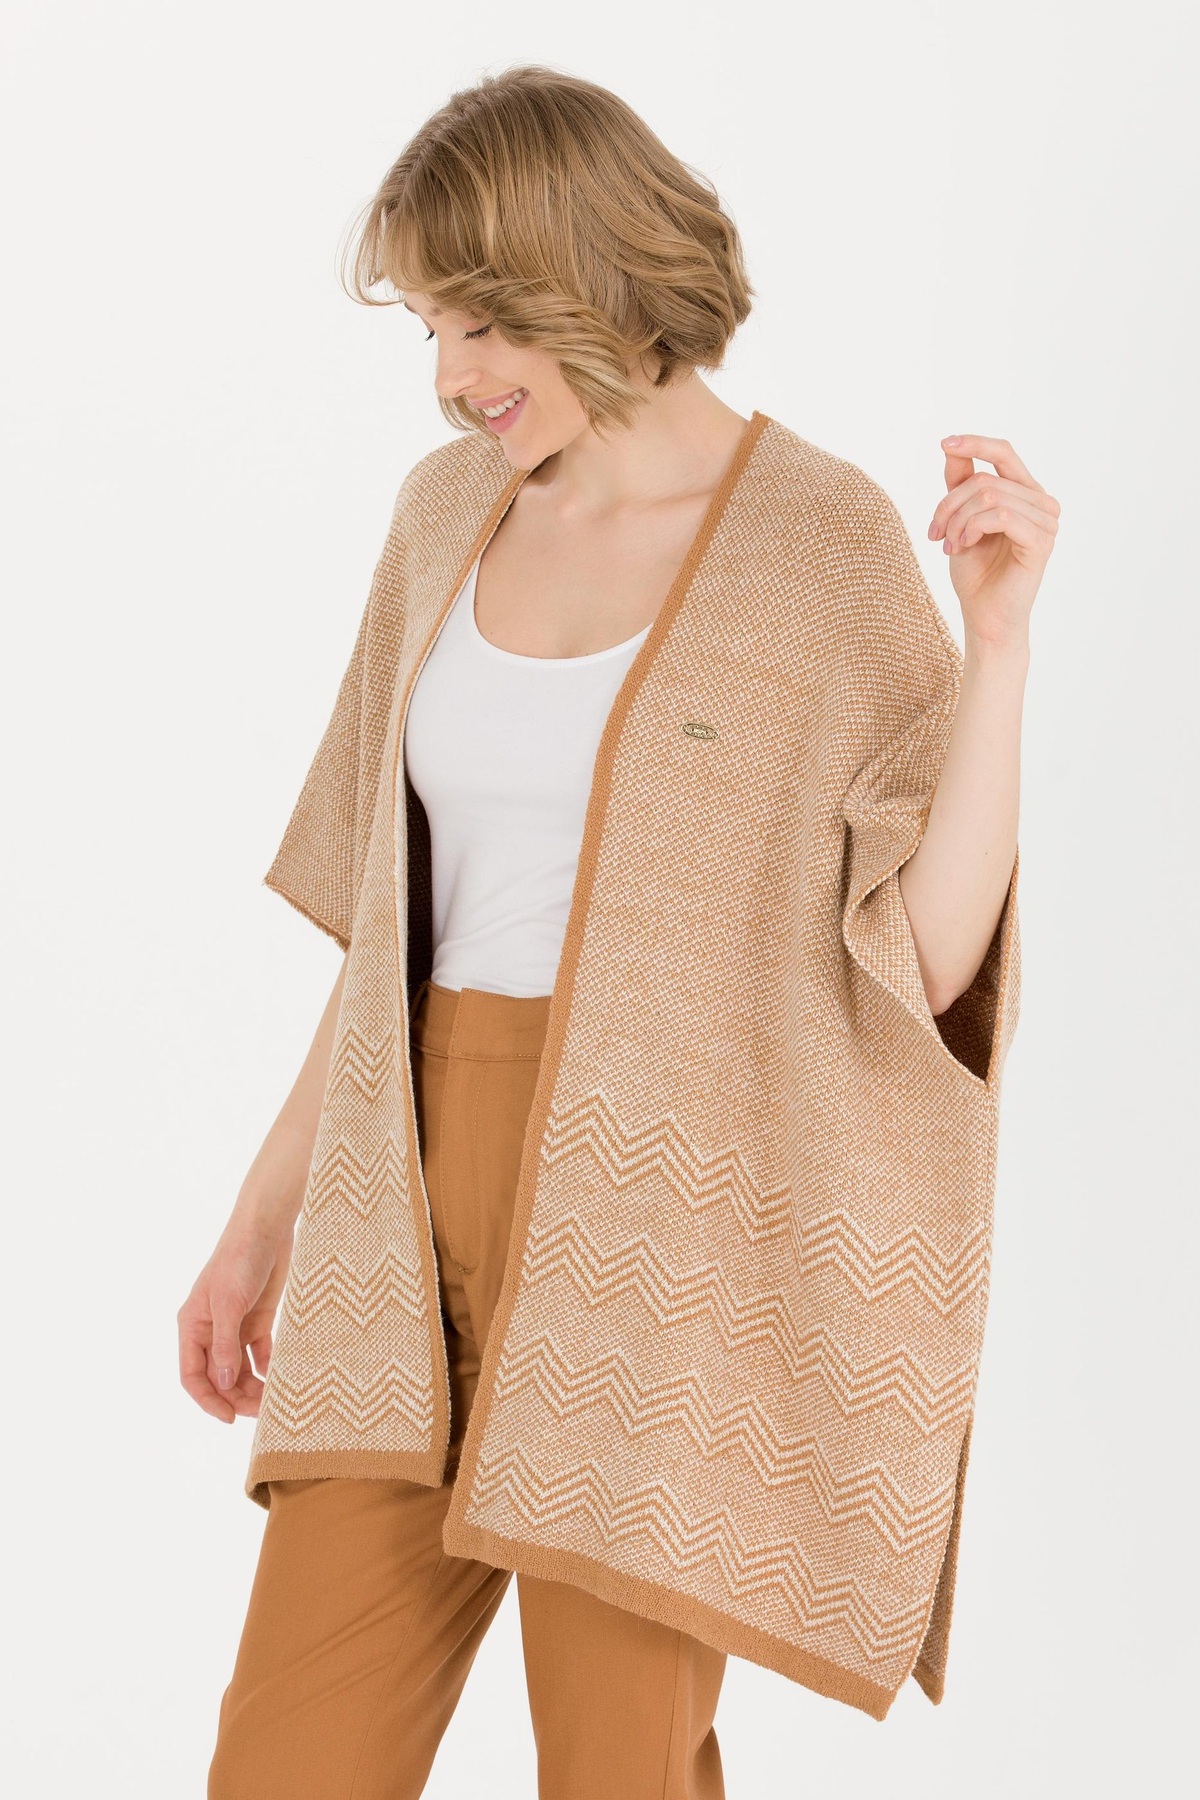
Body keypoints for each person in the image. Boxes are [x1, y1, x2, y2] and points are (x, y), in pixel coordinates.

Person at [180, 64, 1056, 1799]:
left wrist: (1002, 647)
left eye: (484, 320)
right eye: (432, 328)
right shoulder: (445, 515)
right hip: (400, 1195)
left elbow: (925, 964)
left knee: (618, 1772)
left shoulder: (819, 544)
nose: (455, 376)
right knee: (285, 1765)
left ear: (593, 274)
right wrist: (255, 1225)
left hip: (659, 1232)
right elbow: (388, 924)